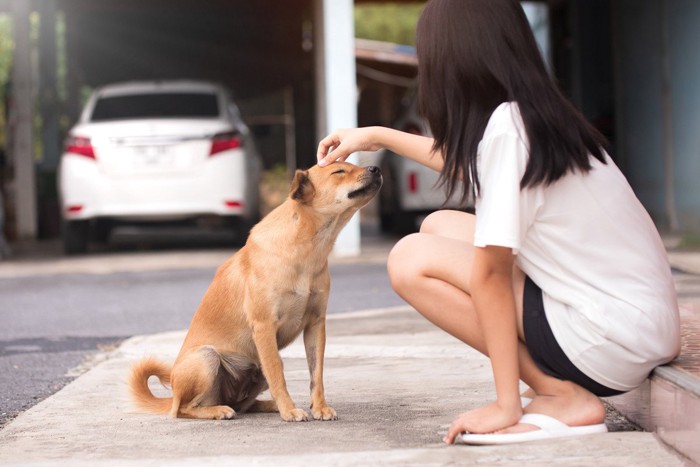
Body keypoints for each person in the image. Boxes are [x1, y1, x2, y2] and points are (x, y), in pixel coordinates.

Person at [316, 0, 680, 445]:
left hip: (609, 338)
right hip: (637, 323)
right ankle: (550, 383)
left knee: (410, 258)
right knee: (439, 226)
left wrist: (506, 403)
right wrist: (376, 136)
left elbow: (490, 276)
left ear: (452, 62)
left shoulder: (509, 128)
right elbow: (470, 162)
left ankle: (560, 394)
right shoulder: (533, 115)